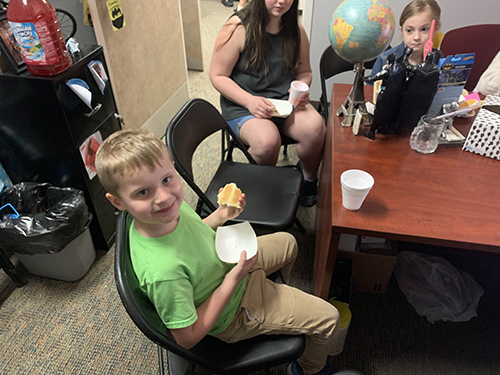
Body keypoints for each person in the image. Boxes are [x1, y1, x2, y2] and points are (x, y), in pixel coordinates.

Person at [95, 129, 340, 375]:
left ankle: (279, 307)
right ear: (117, 202)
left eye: (167, 179)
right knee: (329, 319)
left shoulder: (162, 215)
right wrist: (234, 278)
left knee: (289, 243)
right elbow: (186, 338)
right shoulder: (163, 272)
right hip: (231, 310)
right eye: (143, 192)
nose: (164, 197)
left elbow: (191, 235)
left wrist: (220, 216)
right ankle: (309, 369)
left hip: (225, 265)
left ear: (172, 167)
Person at [209, 0, 326, 207]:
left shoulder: (296, 30)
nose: (282, 1)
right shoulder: (237, 27)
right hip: (244, 104)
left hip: (284, 103)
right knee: (267, 142)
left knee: (315, 127)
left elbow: (304, 71)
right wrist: (250, 101)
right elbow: (217, 75)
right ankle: (261, 186)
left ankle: (309, 179)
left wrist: (302, 88)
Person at [371, 0, 443, 77]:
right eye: (409, 30)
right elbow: (372, 87)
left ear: (436, 28)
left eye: (424, 29)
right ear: (401, 31)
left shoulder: (439, 59)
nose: (416, 37)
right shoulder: (384, 59)